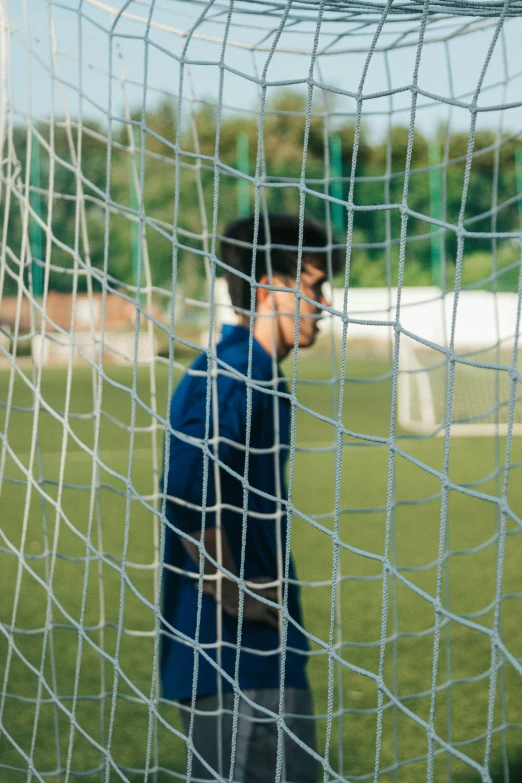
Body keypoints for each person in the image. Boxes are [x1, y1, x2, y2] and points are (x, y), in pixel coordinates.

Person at [160, 214, 342, 782]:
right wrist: (233, 591)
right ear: (270, 288)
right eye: (313, 286)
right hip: (236, 660)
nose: (324, 304)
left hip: (261, 657)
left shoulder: (257, 373)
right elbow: (188, 486)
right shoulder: (233, 374)